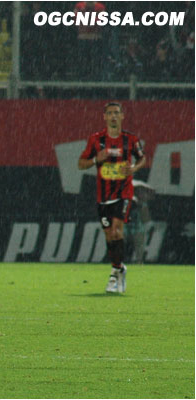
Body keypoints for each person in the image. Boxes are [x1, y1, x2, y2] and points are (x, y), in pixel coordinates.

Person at [78, 102, 146, 293]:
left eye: (117, 113)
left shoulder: (130, 139)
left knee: (117, 230)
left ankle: (115, 273)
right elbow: (80, 164)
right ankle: (119, 267)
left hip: (123, 193)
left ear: (122, 116)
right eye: (110, 113)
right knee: (109, 235)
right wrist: (94, 160)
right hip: (103, 196)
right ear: (104, 117)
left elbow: (142, 158)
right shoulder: (96, 140)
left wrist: (133, 168)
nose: (113, 116)